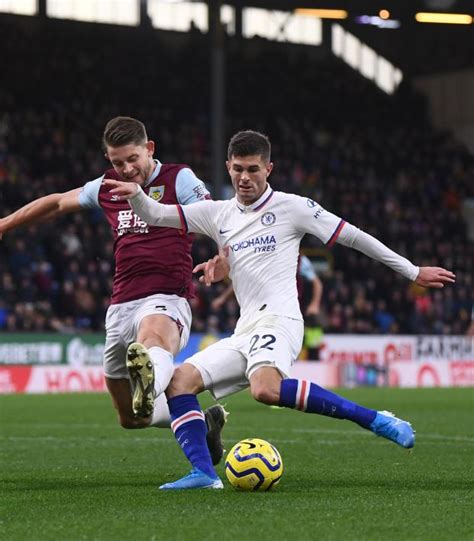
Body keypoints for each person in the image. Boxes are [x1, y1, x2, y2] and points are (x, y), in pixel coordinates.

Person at [105, 129, 456, 490]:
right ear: (227, 167)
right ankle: (204, 475)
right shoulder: (216, 213)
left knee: (265, 390)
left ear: (269, 169)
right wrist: (136, 195)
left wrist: (412, 271)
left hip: (282, 320)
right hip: (246, 330)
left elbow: (354, 236)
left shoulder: (293, 208)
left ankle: (376, 419)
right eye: (238, 169)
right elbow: (159, 214)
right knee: (180, 383)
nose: (245, 178)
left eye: (254, 169)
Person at [0, 116, 228, 464]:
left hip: (167, 296)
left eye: (132, 159)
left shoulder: (178, 178)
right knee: (131, 418)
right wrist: (5, 224)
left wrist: (221, 254)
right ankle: (201, 422)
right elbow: (59, 202)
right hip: (121, 305)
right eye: (117, 162)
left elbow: (215, 215)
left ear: (149, 149)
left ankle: (151, 377)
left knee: (152, 339)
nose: (126, 168)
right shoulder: (107, 186)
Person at [210, 253, 323, 317]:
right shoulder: (262, 256)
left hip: (288, 307)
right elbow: (245, 279)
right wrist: (223, 298)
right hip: (260, 306)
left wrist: (314, 304)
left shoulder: (300, 259)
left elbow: (317, 283)